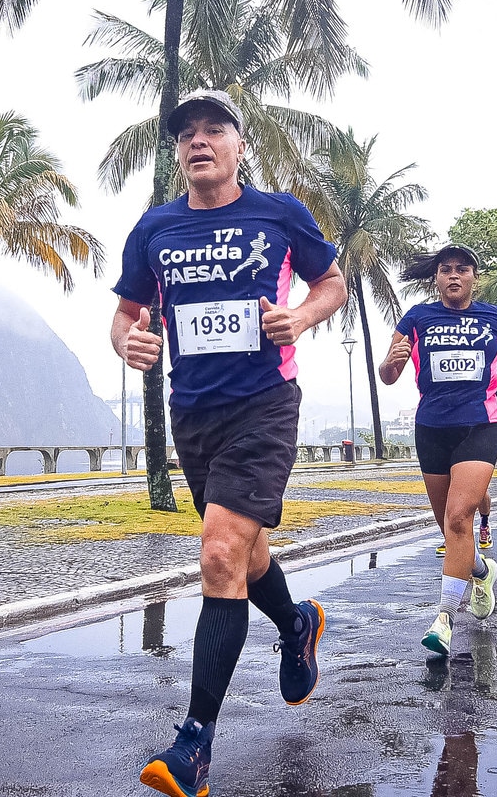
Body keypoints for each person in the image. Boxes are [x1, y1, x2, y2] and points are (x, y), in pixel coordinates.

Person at [114, 89, 348, 797]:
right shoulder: (154, 227)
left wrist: (300, 317)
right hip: (194, 413)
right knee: (246, 552)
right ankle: (298, 621)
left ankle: (194, 747)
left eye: (214, 128)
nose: (198, 140)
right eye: (186, 132)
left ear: (240, 145)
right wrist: (130, 342)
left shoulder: (278, 214)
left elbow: (331, 282)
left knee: (219, 554)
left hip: (265, 405)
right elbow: (126, 311)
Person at [379, 244, 497, 657]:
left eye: (462, 269)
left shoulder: (494, 317)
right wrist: (392, 360)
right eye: (446, 270)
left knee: (460, 517)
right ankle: (480, 570)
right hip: (432, 427)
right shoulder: (417, 318)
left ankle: (443, 618)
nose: (454, 276)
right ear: (436, 278)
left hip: (480, 424)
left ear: (475, 277)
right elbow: (388, 376)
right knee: (449, 527)